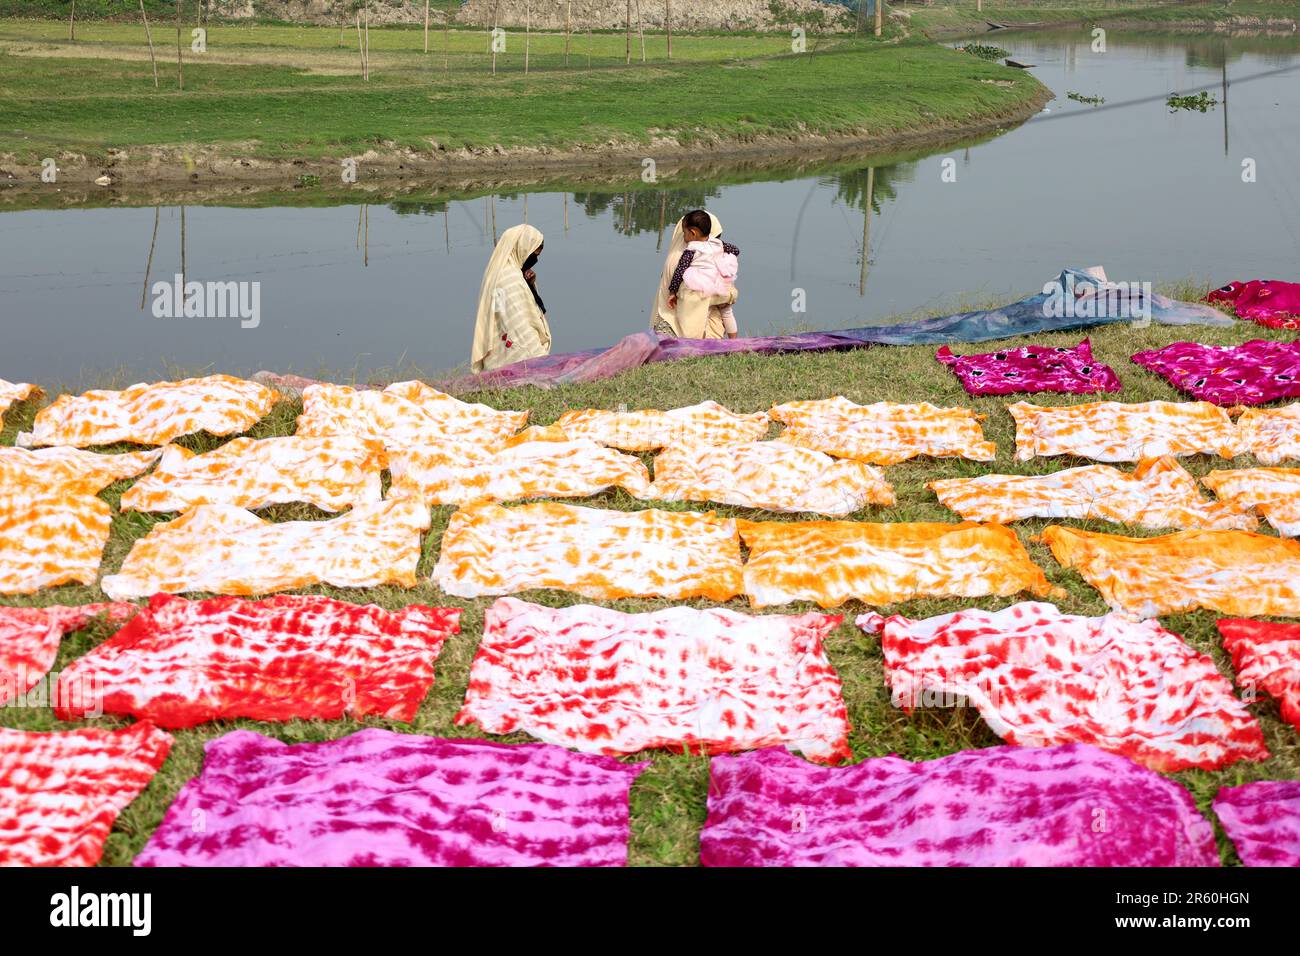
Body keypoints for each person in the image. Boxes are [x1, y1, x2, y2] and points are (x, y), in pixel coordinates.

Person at [471, 224, 551, 373]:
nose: (534, 260)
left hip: (498, 358)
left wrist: (530, 284)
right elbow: (515, 322)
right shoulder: (508, 278)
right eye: (533, 255)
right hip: (518, 359)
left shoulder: (504, 272)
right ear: (522, 249)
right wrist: (538, 357)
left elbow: (503, 310)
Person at [650, 210, 739, 339]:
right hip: (679, 320)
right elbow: (735, 250)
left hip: (688, 312)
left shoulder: (691, 250)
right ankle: (734, 341)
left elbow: (680, 273)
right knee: (726, 311)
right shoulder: (716, 245)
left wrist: (673, 291)